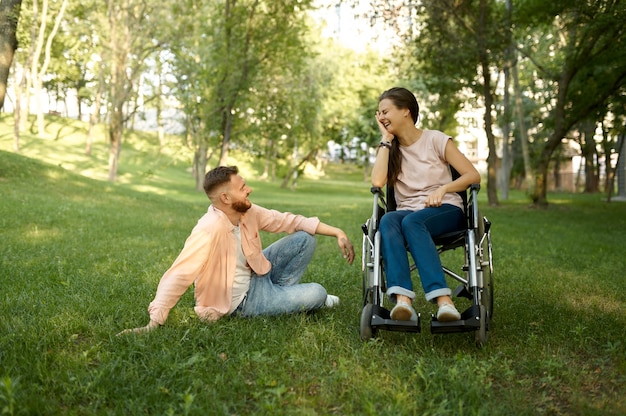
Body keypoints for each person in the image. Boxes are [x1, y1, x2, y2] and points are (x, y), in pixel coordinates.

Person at [119, 165, 355, 334]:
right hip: (242, 301)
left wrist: (337, 232)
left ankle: (281, 296)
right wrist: (154, 321)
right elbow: (180, 273)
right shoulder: (209, 229)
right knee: (318, 293)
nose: (249, 189)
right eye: (242, 187)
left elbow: (286, 220)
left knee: (305, 238)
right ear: (225, 198)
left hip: (258, 274)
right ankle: (286, 298)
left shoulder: (247, 211)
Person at [371, 87, 481, 322]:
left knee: (412, 222)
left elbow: (472, 176)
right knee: (389, 219)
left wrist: (444, 188)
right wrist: (386, 140)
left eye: (385, 111)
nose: (380, 117)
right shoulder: (390, 149)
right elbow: (377, 182)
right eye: (378, 114)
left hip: (445, 210)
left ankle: (444, 302)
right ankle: (403, 301)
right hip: (409, 213)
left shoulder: (435, 139)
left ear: (405, 112)